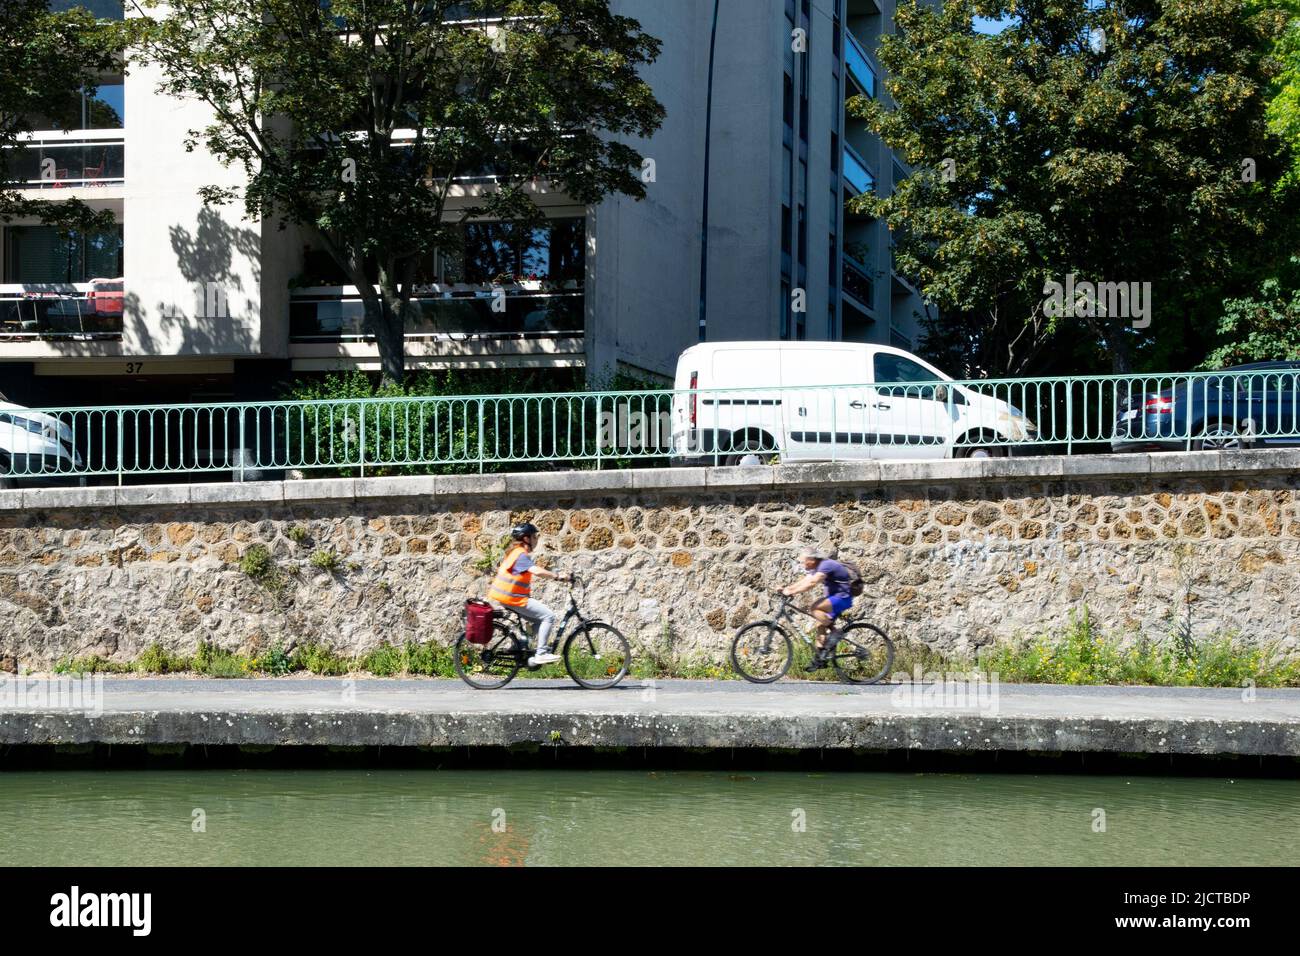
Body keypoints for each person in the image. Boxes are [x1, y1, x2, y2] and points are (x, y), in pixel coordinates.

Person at [487, 522, 571, 666]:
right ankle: (541, 654)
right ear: (526, 538)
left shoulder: (516, 553)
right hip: (513, 599)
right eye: (534, 536)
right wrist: (558, 576)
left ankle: (519, 645)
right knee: (548, 616)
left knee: (539, 620)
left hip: (509, 598)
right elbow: (537, 571)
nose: (536, 539)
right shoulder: (520, 555)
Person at [782, 547, 854, 672]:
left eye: (803, 561)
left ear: (811, 560)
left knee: (815, 608)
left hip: (842, 598)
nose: (802, 564)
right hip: (835, 598)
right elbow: (806, 580)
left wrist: (791, 592)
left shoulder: (826, 565)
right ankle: (820, 659)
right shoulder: (817, 567)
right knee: (820, 625)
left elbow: (812, 583)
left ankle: (836, 632)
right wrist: (789, 588)